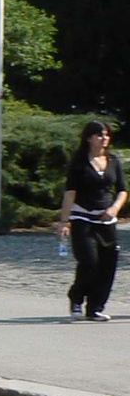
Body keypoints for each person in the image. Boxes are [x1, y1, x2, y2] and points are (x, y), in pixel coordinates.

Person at [59, 119, 126, 322]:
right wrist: (64, 222)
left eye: (106, 134)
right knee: (89, 261)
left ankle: (95, 307)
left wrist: (114, 208)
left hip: (106, 220)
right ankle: (77, 298)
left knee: (108, 265)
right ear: (89, 138)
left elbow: (122, 190)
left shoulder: (114, 161)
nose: (104, 138)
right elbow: (70, 193)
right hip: (82, 218)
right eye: (99, 135)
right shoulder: (79, 164)